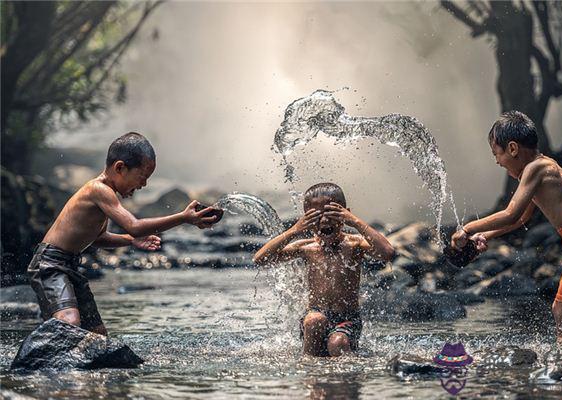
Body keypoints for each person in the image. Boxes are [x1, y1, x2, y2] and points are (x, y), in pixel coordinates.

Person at [28, 132, 220, 336]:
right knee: (70, 321)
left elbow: (99, 237)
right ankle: (38, 358)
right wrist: (183, 217)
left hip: (69, 266)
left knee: (97, 334)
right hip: (50, 264)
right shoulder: (98, 190)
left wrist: (130, 241)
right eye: (142, 177)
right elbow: (134, 226)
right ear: (120, 168)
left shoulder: (106, 196)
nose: (144, 184)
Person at [451, 111, 562, 350]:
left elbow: (510, 212)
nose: (497, 161)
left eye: (496, 154)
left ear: (512, 148)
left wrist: (467, 229)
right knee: (560, 310)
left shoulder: (537, 167)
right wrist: (485, 235)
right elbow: (519, 219)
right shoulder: (534, 171)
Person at [253, 183, 395, 356]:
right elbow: (260, 259)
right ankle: (308, 370)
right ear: (306, 219)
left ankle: (345, 379)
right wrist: (295, 230)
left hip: (347, 319)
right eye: (315, 216)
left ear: (345, 214)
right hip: (314, 316)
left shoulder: (354, 245)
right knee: (315, 320)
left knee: (338, 343)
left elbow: (387, 253)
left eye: (331, 213)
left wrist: (355, 221)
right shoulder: (306, 247)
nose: (325, 221)